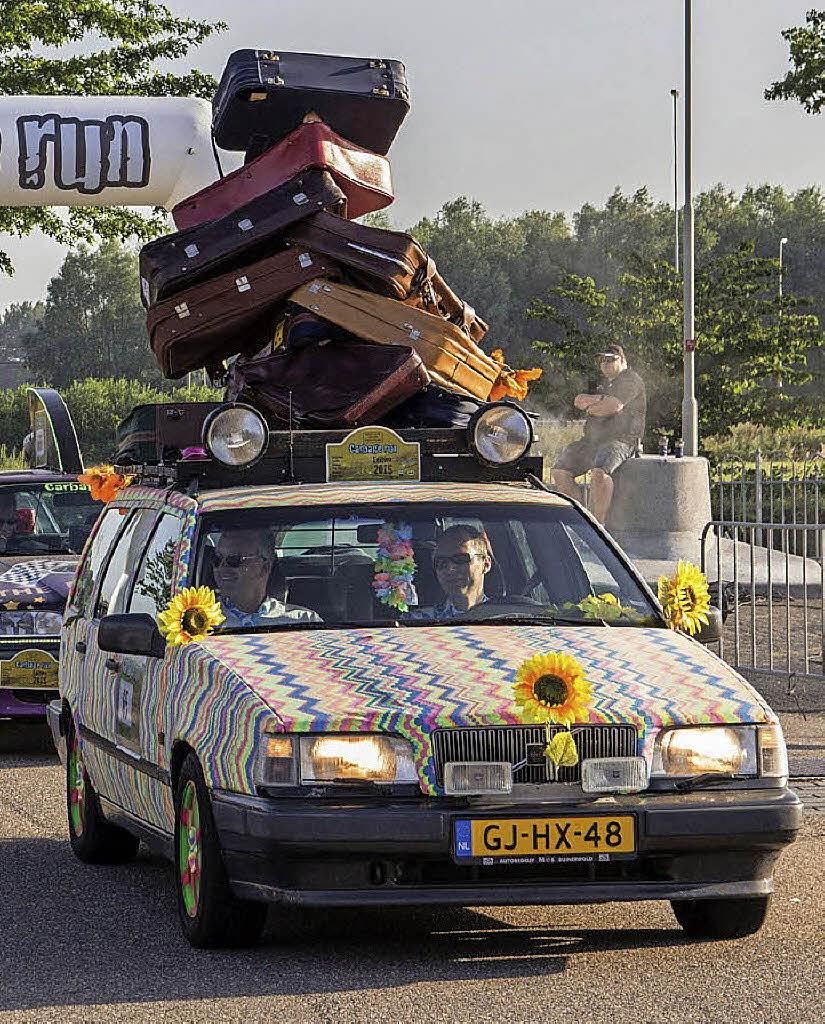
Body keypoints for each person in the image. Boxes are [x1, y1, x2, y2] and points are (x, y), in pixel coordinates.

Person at [552, 344, 646, 524]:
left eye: (611, 359)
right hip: (591, 440)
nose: (605, 363)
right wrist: (602, 401)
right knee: (559, 471)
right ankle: (579, 520)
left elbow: (614, 406)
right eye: (602, 360)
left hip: (621, 440)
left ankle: (598, 524)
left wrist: (597, 404)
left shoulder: (630, 380)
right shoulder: (598, 382)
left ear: (623, 361)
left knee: (599, 473)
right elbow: (579, 401)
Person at [212, 528, 321, 627]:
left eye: (234, 560)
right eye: (217, 559)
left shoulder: (304, 622)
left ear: (264, 568)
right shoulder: (200, 621)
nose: (222, 567)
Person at [407, 524, 491, 620]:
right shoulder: (416, 621)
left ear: (486, 564)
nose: (450, 569)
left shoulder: (506, 617)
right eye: (442, 562)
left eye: (461, 559)